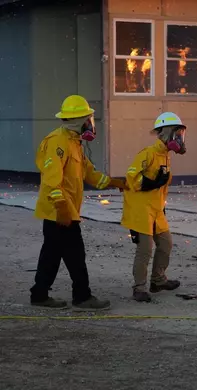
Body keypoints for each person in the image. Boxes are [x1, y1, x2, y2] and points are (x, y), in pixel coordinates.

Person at [31, 95, 128, 310]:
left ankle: (39, 294)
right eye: (88, 120)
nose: (91, 125)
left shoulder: (74, 143)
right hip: (59, 211)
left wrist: (114, 182)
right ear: (78, 120)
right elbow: (51, 180)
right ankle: (82, 297)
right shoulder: (58, 142)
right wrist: (62, 208)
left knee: (53, 254)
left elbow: (89, 174)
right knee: (74, 254)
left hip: (65, 211)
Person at [121, 112, 186, 302]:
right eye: (177, 133)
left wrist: (161, 205)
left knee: (165, 244)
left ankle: (158, 280)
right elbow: (131, 177)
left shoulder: (165, 156)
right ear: (167, 133)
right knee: (145, 249)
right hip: (140, 209)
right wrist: (149, 183)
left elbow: (162, 187)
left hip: (156, 210)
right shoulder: (147, 153)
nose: (180, 138)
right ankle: (139, 288)